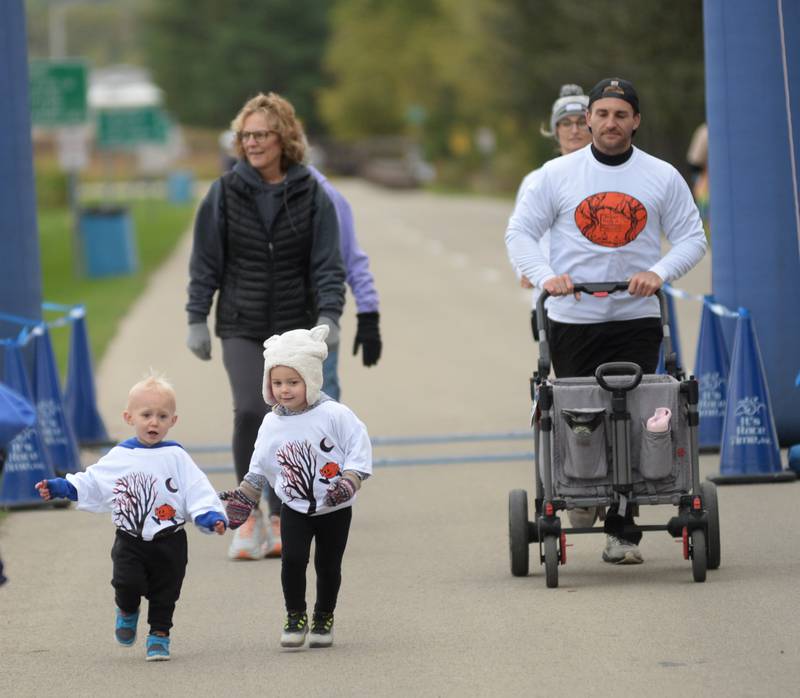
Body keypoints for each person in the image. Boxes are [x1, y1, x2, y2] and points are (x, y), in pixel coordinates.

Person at [505, 77, 707, 565]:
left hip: (635, 316)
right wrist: (546, 276)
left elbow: (692, 238)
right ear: (588, 119)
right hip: (572, 318)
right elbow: (521, 234)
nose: (610, 123)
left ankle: (623, 530)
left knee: (637, 418)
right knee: (581, 415)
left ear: (635, 120)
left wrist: (656, 273)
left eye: (621, 114)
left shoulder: (660, 176)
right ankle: (581, 490)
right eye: (601, 114)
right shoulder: (556, 175)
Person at [186, 92, 346, 561]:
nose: (252, 143)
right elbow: (205, 262)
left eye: (262, 134)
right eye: (246, 135)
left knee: (293, 418)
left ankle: (282, 517)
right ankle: (248, 516)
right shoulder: (223, 193)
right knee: (250, 412)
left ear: (285, 138)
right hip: (242, 321)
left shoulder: (311, 193)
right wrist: (197, 317)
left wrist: (329, 315)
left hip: (295, 326)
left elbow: (327, 263)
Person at [34, 374, 227, 661]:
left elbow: (196, 489)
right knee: (127, 583)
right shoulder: (120, 456)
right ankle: (127, 609)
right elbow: (93, 481)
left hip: (170, 540)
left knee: (166, 592)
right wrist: (62, 486)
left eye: (162, 416)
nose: (154, 422)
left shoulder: (176, 457)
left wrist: (210, 516)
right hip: (130, 538)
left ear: (173, 421)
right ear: (129, 417)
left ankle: (159, 635)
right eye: (146, 414)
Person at [219, 325, 372, 649]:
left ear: (312, 380)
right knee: (293, 560)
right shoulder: (272, 423)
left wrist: (350, 481)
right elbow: (259, 464)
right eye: (277, 383)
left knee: (328, 566)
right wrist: (246, 496)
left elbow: (359, 448)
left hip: (335, 507)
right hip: (294, 506)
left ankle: (323, 616)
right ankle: (295, 615)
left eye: (293, 382)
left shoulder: (335, 415)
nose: (284, 390)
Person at [514, 84, 593, 341]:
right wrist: (526, 270)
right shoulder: (536, 180)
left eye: (582, 122)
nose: (574, 130)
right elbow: (519, 232)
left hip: (604, 298)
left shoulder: (609, 177)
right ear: (555, 130)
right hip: (552, 298)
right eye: (565, 123)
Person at [307, 164, 382, 401]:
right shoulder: (241, 189)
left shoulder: (325, 194)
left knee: (322, 405)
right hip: (259, 322)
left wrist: (368, 317)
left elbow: (352, 258)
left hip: (316, 319)